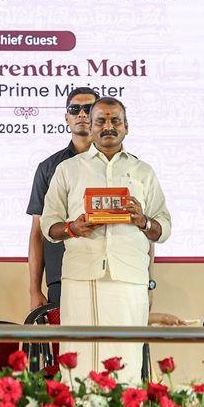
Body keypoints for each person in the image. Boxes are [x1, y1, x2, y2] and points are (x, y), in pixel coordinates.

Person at [40, 97, 171, 378]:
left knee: (126, 360)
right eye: (101, 121)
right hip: (81, 278)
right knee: (79, 358)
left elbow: (164, 228)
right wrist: (73, 228)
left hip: (129, 278)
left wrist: (144, 220)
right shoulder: (68, 169)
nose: (108, 126)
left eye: (115, 121)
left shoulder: (143, 171)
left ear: (126, 127)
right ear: (91, 125)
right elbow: (48, 226)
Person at [27, 87, 98, 309]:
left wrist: (149, 283)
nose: (82, 115)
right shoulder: (48, 168)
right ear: (66, 117)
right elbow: (38, 233)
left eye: (88, 109)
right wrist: (34, 289)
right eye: (75, 109)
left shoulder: (126, 165)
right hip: (62, 276)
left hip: (111, 275)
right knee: (69, 345)